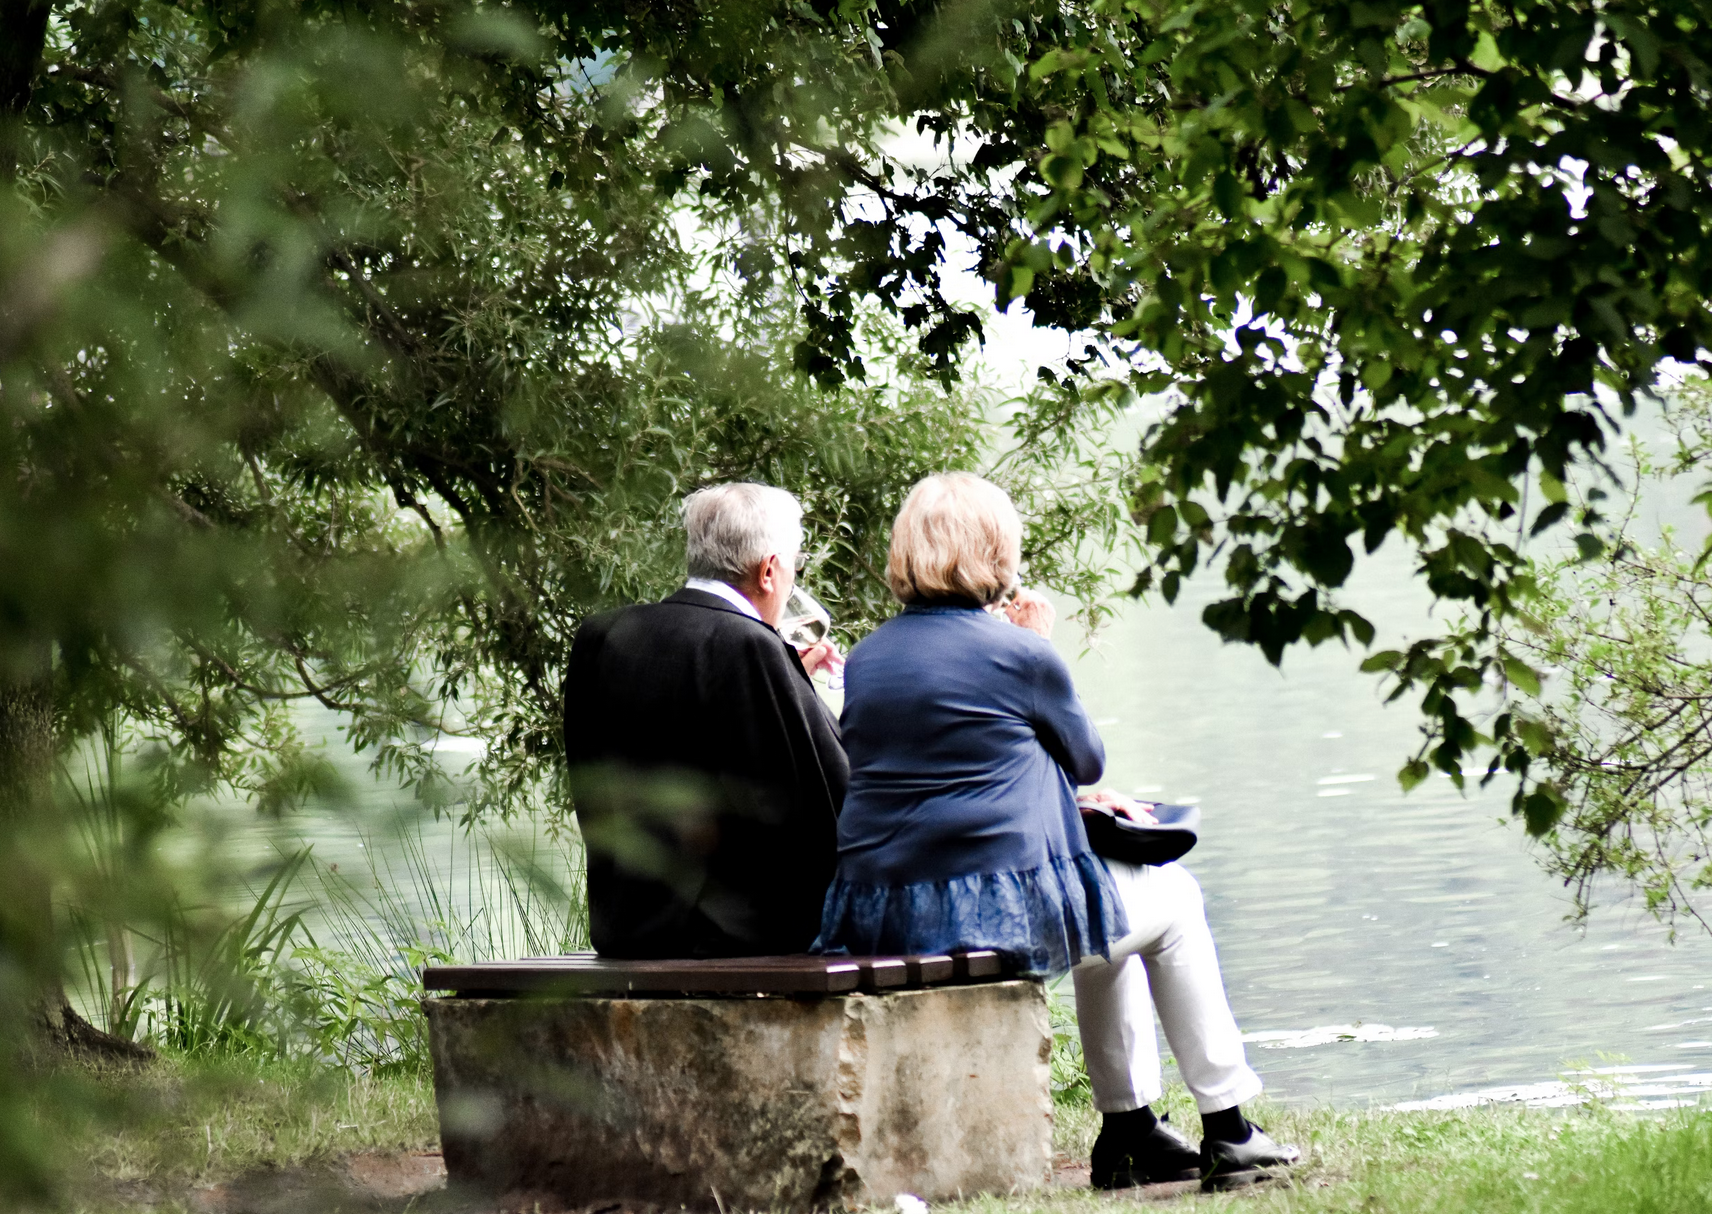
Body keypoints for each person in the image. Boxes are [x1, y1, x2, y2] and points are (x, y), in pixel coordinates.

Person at [815, 472, 1299, 1191]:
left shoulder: (872, 658)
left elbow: (961, 760)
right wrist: (1039, 644)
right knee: (1174, 899)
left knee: (1115, 918)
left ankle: (1130, 1129)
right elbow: (1086, 758)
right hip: (985, 914)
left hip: (883, 908)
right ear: (994, 551)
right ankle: (1228, 1126)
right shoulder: (1020, 653)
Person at [562, 482, 846, 959]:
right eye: (795, 566)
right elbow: (827, 798)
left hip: (625, 928)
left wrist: (792, 675)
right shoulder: (751, 647)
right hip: (735, 940)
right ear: (770, 571)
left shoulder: (602, 636)